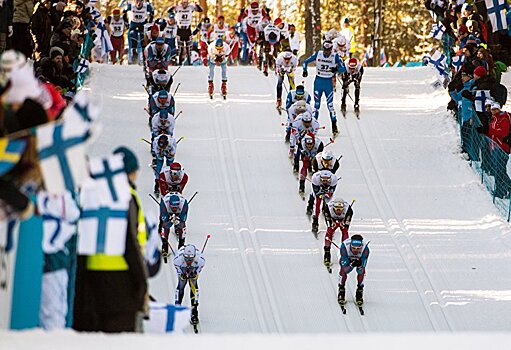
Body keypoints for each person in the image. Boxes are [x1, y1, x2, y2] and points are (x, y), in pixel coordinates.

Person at [73, 147, 148, 333]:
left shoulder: (91, 195)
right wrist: (142, 281)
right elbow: (130, 242)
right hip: (122, 278)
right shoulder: (125, 198)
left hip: (90, 277)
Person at [303, 40, 346, 136]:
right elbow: (305, 62)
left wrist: (337, 69)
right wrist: (305, 70)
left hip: (328, 83)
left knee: (330, 106)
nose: (326, 52)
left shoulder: (335, 56)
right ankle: (312, 127)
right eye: (325, 50)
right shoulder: (318, 54)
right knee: (316, 106)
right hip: (318, 82)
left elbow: (344, 68)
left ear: (331, 49)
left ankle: (334, 127)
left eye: (328, 50)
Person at [173, 244, 205, 325]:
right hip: (182, 267)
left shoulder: (200, 260)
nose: (188, 261)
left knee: (194, 287)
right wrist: (181, 275)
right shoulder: (177, 260)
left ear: (194, 256)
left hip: (194, 267)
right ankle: (177, 308)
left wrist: (196, 274)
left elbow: (199, 269)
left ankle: (194, 311)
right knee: (181, 286)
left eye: (190, 259)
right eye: (186, 258)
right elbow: (178, 270)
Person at [487, 101, 511, 198]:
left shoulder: (503, 118)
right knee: (498, 170)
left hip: (502, 147)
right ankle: (501, 190)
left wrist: (489, 130)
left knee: (499, 170)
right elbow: (492, 133)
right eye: (492, 109)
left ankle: (504, 189)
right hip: (495, 147)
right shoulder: (494, 119)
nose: (493, 111)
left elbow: (503, 132)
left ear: (499, 108)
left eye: (495, 109)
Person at [338, 234, 369, 307]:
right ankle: (341, 289)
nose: (355, 251)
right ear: (350, 246)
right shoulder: (344, 247)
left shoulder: (366, 250)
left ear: (361, 247)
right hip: (347, 258)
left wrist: (359, 264)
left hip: (360, 259)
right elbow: (346, 270)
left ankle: (359, 290)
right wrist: (352, 264)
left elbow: (360, 270)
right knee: (343, 271)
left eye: (358, 249)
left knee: (361, 272)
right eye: (353, 248)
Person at [169, 0, 203, 65]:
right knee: (180, 48)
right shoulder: (178, 7)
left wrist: (197, 5)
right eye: (183, 2)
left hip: (187, 29)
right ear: (181, 2)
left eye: (186, 2)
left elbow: (200, 10)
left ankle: (190, 63)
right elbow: (169, 11)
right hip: (180, 29)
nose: (185, 4)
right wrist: (173, 6)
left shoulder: (191, 7)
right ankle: (179, 63)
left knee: (189, 48)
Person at [323, 199, 353, 268]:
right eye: (336, 209)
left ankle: (346, 251)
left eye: (340, 209)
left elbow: (347, 225)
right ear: (333, 208)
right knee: (329, 231)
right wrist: (332, 223)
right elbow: (328, 223)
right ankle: (327, 252)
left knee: (345, 231)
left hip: (343, 219)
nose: (338, 211)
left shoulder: (348, 210)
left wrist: (344, 224)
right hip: (332, 219)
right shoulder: (328, 208)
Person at [307, 170, 338, 234]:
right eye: (323, 180)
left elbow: (331, 193)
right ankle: (315, 221)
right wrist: (320, 193)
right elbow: (316, 193)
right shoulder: (315, 178)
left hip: (327, 190)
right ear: (320, 179)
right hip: (318, 187)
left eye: (327, 180)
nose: (325, 182)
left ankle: (330, 222)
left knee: (329, 204)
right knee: (317, 204)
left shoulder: (334, 179)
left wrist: (327, 193)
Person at [125, 0, 154, 64]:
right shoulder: (131, 5)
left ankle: (144, 59)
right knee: (132, 37)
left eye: (140, 1)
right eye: (137, 1)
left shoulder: (146, 6)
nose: (138, 3)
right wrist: (126, 23)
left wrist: (149, 21)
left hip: (142, 24)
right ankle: (134, 56)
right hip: (133, 23)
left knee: (144, 39)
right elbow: (124, 12)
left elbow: (152, 13)